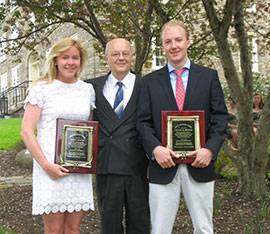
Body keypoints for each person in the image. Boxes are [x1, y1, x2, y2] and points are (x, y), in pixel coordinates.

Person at [137, 20, 228, 234]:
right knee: (159, 229)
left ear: (188, 41)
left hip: (200, 164)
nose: (173, 45)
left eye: (178, 39)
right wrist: (155, 149)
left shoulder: (208, 77)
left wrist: (210, 149)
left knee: (204, 228)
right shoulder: (149, 82)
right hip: (163, 166)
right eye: (168, 41)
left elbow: (221, 118)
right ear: (163, 46)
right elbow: (142, 122)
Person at [21, 38, 95, 234]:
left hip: (77, 170)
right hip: (49, 169)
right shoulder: (42, 89)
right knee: (53, 229)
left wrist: (87, 161)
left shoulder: (87, 90)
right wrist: (47, 166)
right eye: (65, 57)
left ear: (81, 61)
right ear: (55, 60)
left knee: (73, 228)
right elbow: (27, 131)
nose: (70, 62)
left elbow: (89, 129)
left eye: (75, 58)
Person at [86, 38, 150, 234]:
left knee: (140, 224)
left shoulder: (146, 85)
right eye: (115, 54)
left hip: (138, 167)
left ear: (132, 56)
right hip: (107, 166)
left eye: (125, 53)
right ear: (106, 58)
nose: (121, 58)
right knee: (110, 225)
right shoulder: (91, 87)